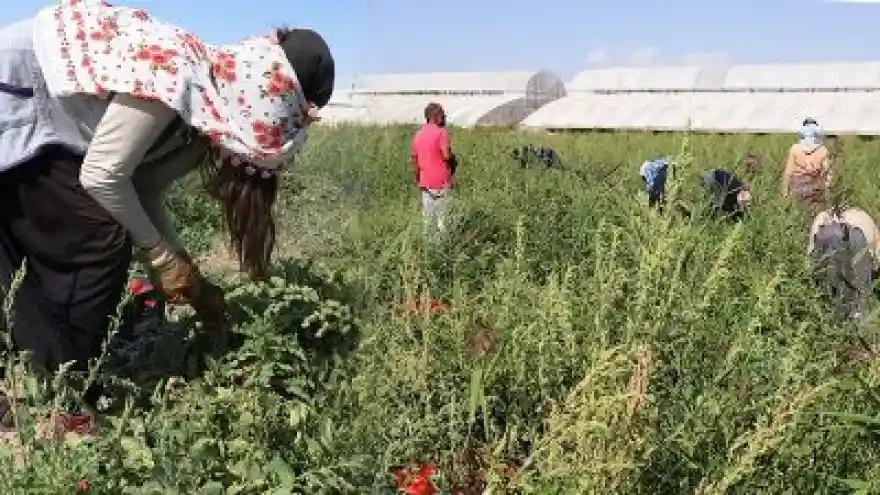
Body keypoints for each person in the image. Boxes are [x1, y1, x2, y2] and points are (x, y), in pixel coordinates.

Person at [0, 1, 334, 423]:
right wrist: (157, 254)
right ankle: (65, 393)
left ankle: (47, 377)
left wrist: (182, 267)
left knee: (70, 237)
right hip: (17, 100)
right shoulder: (176, 77)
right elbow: (102, 177)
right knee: (98, 239)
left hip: (45, 126)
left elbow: (143, 190)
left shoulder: (201, 122)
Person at [808, 207, 880, 322]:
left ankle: (832, 315)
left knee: (828, 288)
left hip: (827, 241)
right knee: (859, 297)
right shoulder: (865, 220)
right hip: (859, 241)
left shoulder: (822, 219)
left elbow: (811, 257)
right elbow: (875, 262)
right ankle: (857, 317)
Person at [411, 103, 455, 238]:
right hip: (441, 182)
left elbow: (415, 160)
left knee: (427, 220)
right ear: (436, 116)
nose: (445, 117)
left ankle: (427, 250)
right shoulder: (442, 133)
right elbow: (446, 155)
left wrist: (418, 178)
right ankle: (442, 251)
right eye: (443, 115)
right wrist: (454, 162)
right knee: (441, 221)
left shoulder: (418, 135)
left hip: (425, 183)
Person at [782, 119, 831, 207]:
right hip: (816, 187)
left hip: (798, 187)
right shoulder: (822, 150)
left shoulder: (795, 148)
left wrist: (785, 192)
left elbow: (788, 172)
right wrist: (827, 190)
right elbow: (827, 172)